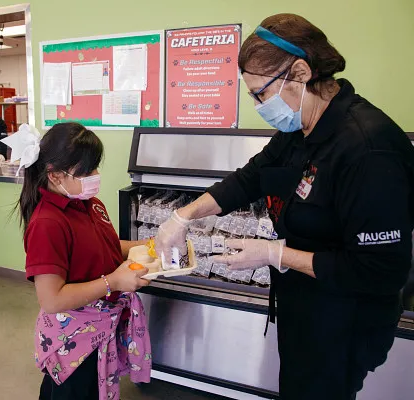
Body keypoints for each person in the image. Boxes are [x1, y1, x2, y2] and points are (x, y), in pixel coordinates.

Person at [156, 13, 414, 400]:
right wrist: (183, 215)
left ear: (300, 72)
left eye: (261, 93)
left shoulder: (368, 149)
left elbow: (378, 271)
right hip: (304, 309)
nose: (259, 105)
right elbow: (251, 177)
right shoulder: (300, 130)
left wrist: (277, 253)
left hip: (344, 319)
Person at [16, 122, 152, 400]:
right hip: (73, 340)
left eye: (95, 167)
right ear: (54, 176)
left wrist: (147, 245)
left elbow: (107, 247)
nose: (95, 176)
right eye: (86, 171)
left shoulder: (90, 204)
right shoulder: (47, 223)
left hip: (101, 330)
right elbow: (52, 300)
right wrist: (113, 281)